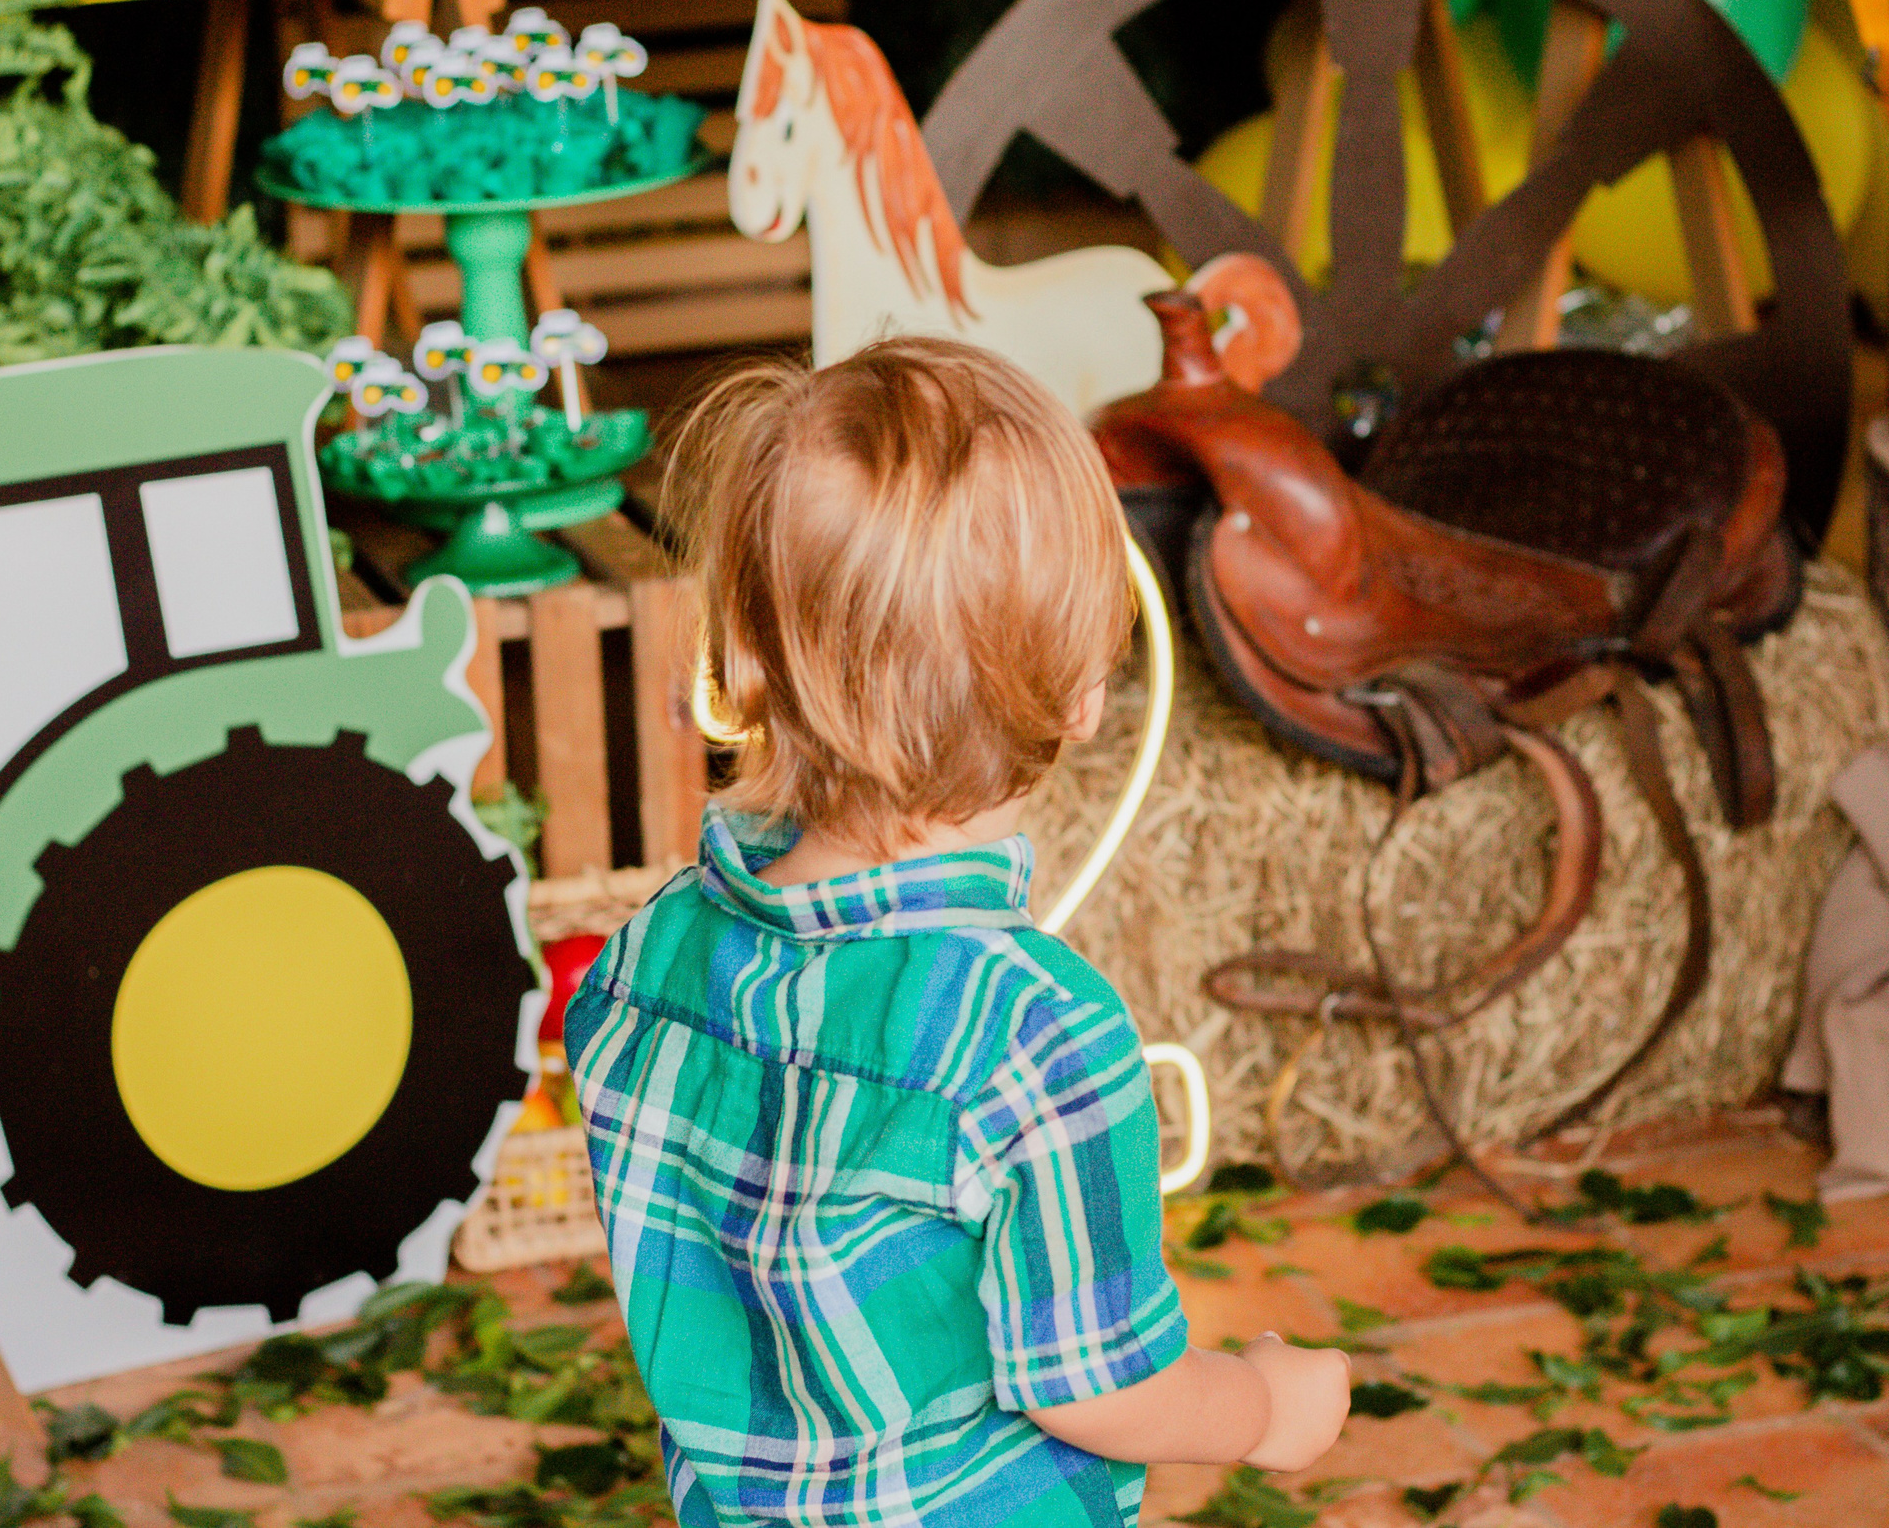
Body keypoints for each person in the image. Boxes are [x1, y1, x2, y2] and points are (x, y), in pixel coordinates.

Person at [565, 335, 1350, 1527]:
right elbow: (1099, 1388)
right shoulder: (1034, 1035)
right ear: (1083, 691)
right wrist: (1266, 1406)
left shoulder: (645, 962)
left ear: (749, 657)